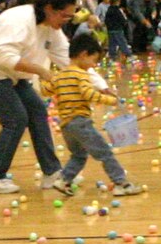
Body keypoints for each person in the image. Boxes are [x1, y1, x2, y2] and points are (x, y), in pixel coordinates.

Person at [0, 0, 75, 195]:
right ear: (49, 8)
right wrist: (41, 71)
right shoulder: (20, 20)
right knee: (15, 119)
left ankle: (52, 172)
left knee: (37, 111)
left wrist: (98, 85)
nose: (67, 21)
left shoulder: (52, 29)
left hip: (12, 72)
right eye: (64, 15)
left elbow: (69, 60)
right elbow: (4, 57)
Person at [50, 32, 143, 197]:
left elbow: (47, 89)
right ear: (84, 54)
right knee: (105, 153)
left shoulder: (61, 75)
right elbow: (88, 94)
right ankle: (122, 183)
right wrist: (109, 100)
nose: (93, 66)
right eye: (93, 60)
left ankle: (64, 179)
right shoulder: (82, 75)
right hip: (80, 122)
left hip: (66, 125)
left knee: (79, 154)